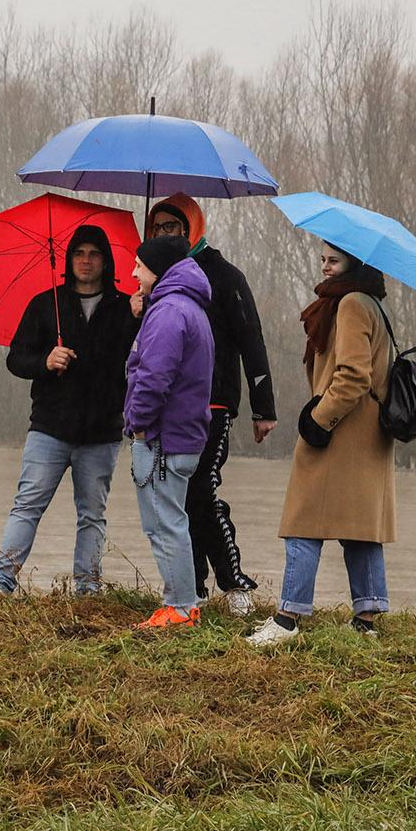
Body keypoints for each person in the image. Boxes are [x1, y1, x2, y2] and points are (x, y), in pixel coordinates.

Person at [246, 242, 394, 647]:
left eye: (334, 261)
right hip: (367, 436)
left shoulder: (350, 305)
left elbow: (352, 375)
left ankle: (288, 618)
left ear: (353, 263)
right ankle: (367, 619)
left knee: (302, 522)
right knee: (360, 528)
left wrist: (316, 419)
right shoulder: (369, 302)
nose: (326, 268)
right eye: (323, 261)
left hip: (341, 433)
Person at [144, 194, 277, 615]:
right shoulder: (152, 283)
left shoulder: (225, 275)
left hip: (216, 401)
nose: (166, 234)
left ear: (192, 228)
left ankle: (234, 582)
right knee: (177, 498)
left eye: (173, 227)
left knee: (202, 488)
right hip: (171, 407)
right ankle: (192, 588)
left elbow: (250, 339)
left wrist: (263, 408)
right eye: (158, 228)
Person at [0, 226, 138, 596]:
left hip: (102, 431)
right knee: (27, 505)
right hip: (49, 428)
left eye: (94, 254)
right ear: (68, 259)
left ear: (106, 261)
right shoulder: (46, 305)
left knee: (92, 516)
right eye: (79, 253)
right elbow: (15, 359)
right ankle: (0, 581)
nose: (86, 261)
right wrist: (46, 360)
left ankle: (87, 588)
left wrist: (140, 315)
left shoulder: (126, 308)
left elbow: (140, 361)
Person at [122, 234, 215, 630]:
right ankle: (182, 603)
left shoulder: (168, 312)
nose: (133, 271)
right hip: (182, 436)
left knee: (163, 524)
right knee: (171, 520)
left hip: (163, 439)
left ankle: (179, 607)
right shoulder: (186, 307)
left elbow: (153, 379)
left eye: (139, 265)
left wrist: (136, 425)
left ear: (157, 269)